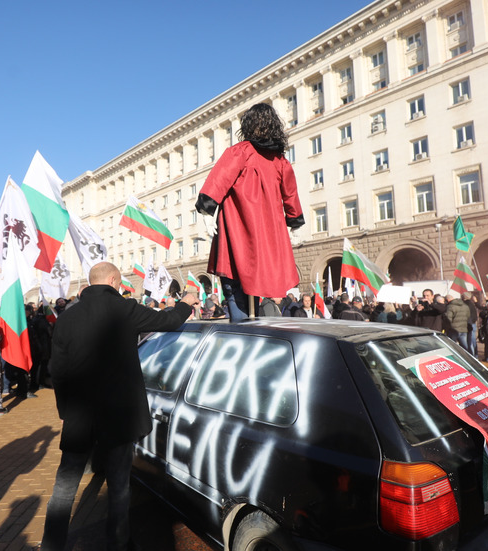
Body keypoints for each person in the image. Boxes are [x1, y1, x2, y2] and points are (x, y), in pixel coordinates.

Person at [42, 262, 199, 551]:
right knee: (118, 486)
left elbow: (58, 370)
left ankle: (52, 544)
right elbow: (167, 322)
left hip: (79, 415)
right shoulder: (123, 309)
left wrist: (65, 411)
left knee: (64, 486)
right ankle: (119, 544)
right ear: (114, 280)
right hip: (118, 415)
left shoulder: (67, 317)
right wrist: (186, 303)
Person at [195, 103, 304, 321]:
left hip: (239, 229)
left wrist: (207, 209)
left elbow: (218, 179)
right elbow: (291, 196)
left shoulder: (240, 152)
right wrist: (294, 222)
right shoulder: (280, 162)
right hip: (267, 233)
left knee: (234, 281)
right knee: (257, 279)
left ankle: (243, 325)